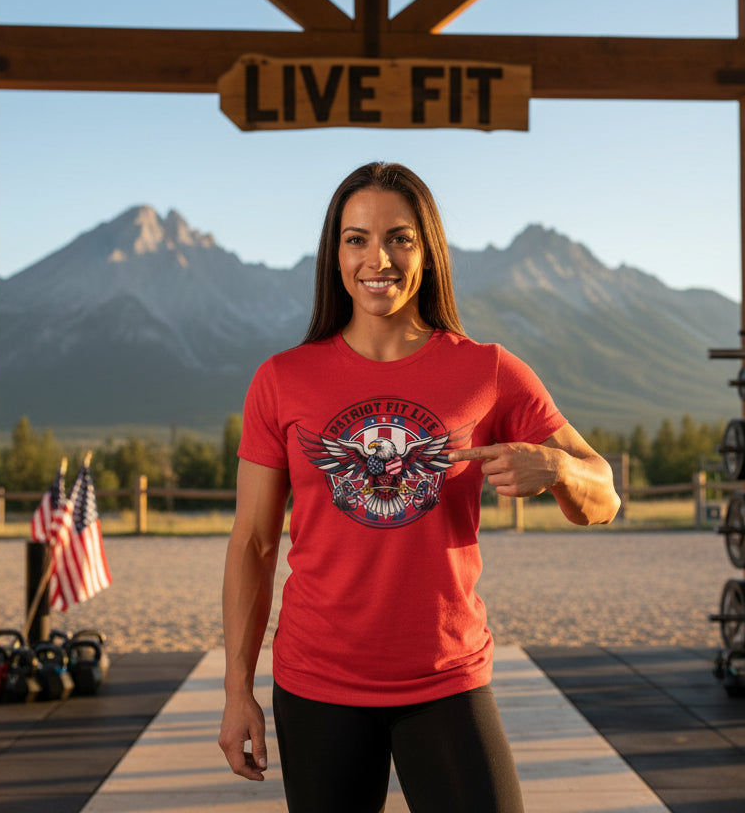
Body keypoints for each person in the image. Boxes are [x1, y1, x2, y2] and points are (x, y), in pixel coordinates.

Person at [217, 162, 621, 813]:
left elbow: (605, 497)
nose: (378, 258)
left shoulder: (487, 369)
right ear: (335, 253)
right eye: (357, 239)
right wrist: (238, 691)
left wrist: (560, 469)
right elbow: (254, 544)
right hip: (318, 682)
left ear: (428, 251)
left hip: (447, 677)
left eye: (399, 238)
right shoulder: (281, 379)